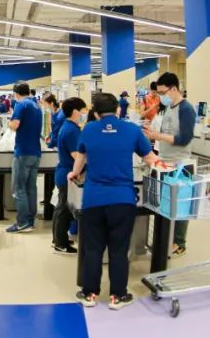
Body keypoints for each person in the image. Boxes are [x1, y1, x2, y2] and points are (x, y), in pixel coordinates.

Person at [68, 92, 160, 310]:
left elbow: (81, 158)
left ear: (96, 113)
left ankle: (89, 294)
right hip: (122, 199)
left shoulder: (88, 130)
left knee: (93, 248)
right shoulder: (131, 130)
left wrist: (74, 173)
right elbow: (150, 158)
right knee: (119, 249)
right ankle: (117, 296)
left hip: (94, 199)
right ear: (118, 109)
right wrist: (172, 169)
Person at [144, 72, 196, 257]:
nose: (161, 96)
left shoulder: (186, 109)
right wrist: (152, 133)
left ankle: (179, 242)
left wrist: (157, 136)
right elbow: (167, 132)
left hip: (180, 163)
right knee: (165, 202)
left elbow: (184, 138)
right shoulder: (168, 107)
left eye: (163, 92)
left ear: (174, 89)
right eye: (159, 93)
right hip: (165, 161)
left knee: (180, 204)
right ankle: (165, 238)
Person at [7, 82, 43, 233]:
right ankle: (30, 221)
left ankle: (22, 222)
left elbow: (15, 125)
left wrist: (9, 123)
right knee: (31, 188)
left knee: (18, 188)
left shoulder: (21, 104)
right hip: (35, 152)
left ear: (16, 93)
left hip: (23, 152)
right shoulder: (37, 106)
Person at [52, 97, 86, 255]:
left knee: (61, 208)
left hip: (64, 171)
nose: (84, 113)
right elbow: (77, 156)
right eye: (83, 110)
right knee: (65, 210)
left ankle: (58, 239)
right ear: (75, 111)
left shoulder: (68, 127)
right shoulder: (72, 131)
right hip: (68, 174)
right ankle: (61, 243)